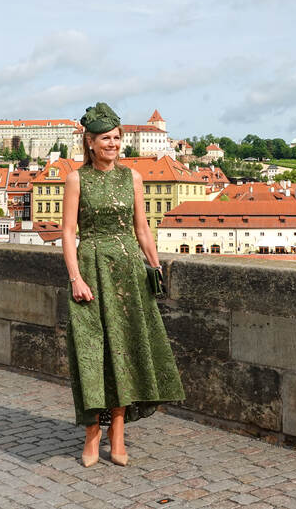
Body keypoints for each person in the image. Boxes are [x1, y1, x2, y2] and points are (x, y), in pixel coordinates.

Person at [62, 102, 185, 468]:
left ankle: (118, 431)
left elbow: (142, 229)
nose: (113, 144)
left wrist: (155, 265)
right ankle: (92, 434)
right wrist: (75, 277)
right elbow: (68, 233)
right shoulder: (76, 179)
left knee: (126, 349)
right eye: (105, 139)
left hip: (129, 270)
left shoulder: (132, 177)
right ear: (90, 142)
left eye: (116, 138)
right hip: (92, 268)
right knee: (92, 353)